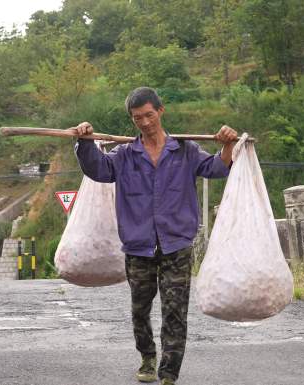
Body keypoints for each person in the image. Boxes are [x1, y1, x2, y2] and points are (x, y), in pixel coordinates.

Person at [73, 87, 237, 385]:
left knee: (175, 311)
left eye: (149, 115)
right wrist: (85, 142)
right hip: (139, 248)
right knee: (140, 310)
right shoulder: (124, 155)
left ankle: (169, 372)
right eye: (138, 118)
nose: (145, 122)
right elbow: (97, 169)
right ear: (132, 120)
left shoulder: (185, 151)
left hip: (177, 245)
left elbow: (216, 168)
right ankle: (147, 357)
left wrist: (226, 145)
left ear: (161, 111)